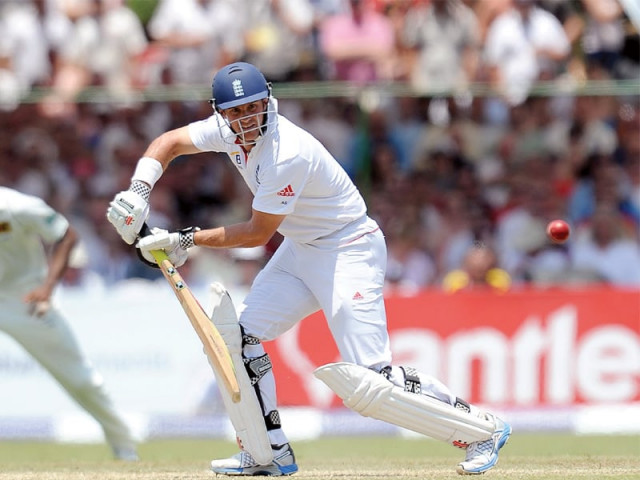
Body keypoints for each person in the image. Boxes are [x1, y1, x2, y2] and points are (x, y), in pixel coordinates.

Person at [106, 61, 511, 476]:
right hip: (301, 249)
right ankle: (267, 454)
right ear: (220, 113)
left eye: (253, 107)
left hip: (348, 247)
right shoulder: (224, 131)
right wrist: (138, 192)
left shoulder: (287, 153)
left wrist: (184, 240)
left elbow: (257, 233)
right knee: (238, 341)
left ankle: (482, 430)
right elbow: (169, 143)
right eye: (236, 111)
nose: (247, 119)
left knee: (374, 383)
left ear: (267, 101)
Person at [0, 186, 138, 461]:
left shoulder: (18, 206)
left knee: (80, 378)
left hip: (23, 300)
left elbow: (67, 235)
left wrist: (47, 287)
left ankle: (124, 446)